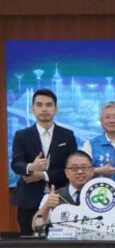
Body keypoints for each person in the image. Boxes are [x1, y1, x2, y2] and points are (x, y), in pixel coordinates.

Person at [11, 88, 77, 235]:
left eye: (48, 105)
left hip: (61, 199)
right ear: (32, 109)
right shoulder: (21, 135)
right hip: (29, 199)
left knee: (63, 243)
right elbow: (16, 164)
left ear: (56, 109)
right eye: (39, 105)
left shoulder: (67, 136)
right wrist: (31, 167)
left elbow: (71, 169)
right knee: (28, 242)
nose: (44, 109)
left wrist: (43, 175)